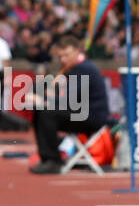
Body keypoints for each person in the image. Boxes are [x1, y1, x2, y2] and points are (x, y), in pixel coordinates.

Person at [29, 31, 111, 175]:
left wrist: (43, 100)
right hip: (80, 113)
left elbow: (69, 101)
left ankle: (53, 160)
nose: (63, 59)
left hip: (92, 117)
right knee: (40, 109)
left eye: (66, 55)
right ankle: (47, 158)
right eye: (60, 56)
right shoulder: (73, 69)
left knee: (47, 111)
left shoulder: (84, 69)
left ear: (77, 51)